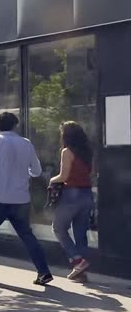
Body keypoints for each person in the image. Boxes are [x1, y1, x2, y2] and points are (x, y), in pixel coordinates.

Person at [0, 112, 52, 285]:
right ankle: (43, 271)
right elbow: (36, 171)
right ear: (15, 125)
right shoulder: (26, 144)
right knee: (27, 235)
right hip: (21, 198)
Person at [49, 121, 95, 282]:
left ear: (66, 136)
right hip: (87, 194)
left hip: (71, 194)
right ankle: (80, 273)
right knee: (80, 233)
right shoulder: (87, 151)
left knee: (58, 227)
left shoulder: (67, 152)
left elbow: (64, 176)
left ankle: (77, 260)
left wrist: (51, 180)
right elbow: (91, 173)